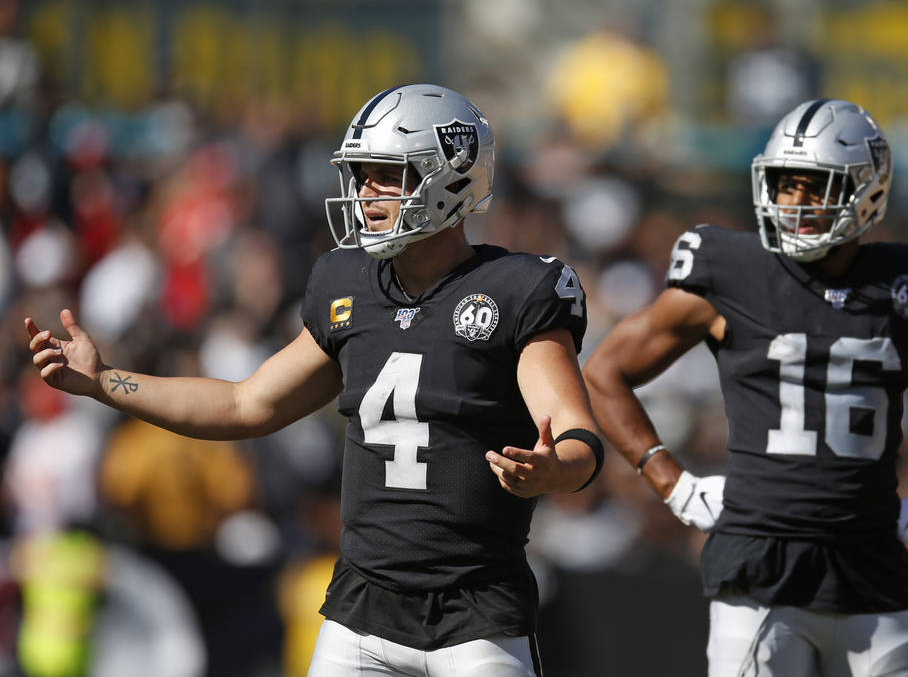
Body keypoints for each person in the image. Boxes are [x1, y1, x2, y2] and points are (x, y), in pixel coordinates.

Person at [26, 84, 602, 677]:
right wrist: (106, 381)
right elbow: (244, 404)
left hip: (476, 615)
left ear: (448, 176)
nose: (365, 192)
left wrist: (554, 470)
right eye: (360, 174)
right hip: (362, 613)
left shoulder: (516, 289)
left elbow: (577, 436)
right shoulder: (345, 283)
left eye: (386, 174)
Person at [583, 99, 908, 676]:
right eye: (783, 183)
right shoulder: (730, 270)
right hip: (758, 567)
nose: (793, 201)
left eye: (813, 185)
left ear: (867, 189)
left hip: (872, 563)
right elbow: (605, 370)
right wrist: (668, 479)